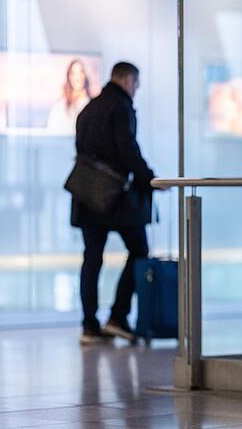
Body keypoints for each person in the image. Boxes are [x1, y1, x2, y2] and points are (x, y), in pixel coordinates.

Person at [71, 62, 157, 345]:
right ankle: (118, 317)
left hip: (86, 194)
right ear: (128, 80)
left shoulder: (89, 108)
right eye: (136, 83)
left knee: (92, 257)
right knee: (139, 251)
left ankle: (89, 325)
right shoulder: (121, 108)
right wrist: (149, 178)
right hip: (114, 197)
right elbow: (128, 150)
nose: (137, 89)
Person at [48, 59, 93, 134]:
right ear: (69, 76)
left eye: (80, 72)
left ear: (84, 75)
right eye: (73, 73)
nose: (77, 77)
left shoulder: (91, 104)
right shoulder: (60, 105)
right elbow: (52, 129)